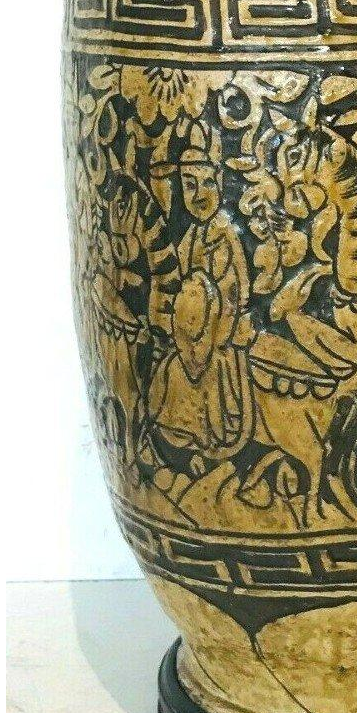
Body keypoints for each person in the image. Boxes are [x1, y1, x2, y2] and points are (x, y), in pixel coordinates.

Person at [146, 125, 253, 467]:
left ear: (220, 183)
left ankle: (211, 434)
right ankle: (183, 438)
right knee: (172, 371)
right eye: (189, 185)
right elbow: (181, 286)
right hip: (193, 337)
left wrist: (214, 331)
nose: (199, 194)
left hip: (220, 336)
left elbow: (239, 290)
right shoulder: (192, 235)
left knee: (209, 373)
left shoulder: (225, 233)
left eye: (207, 183)